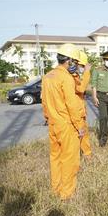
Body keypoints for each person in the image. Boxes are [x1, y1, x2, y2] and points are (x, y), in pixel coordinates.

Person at [41, 43, 85, 200]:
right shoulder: (66, 78)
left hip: (52, 124)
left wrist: (48, 117)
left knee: (55, 158)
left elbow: (44, 102)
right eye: (75, 62)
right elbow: (72, 106)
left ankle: (56, 188)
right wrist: (80, 126)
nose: (76, 65)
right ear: (70, 61)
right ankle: (66, 193)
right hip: (66, 125)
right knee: (70, 159)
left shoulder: (47, 76)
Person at [73, 50, 92, 159]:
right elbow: (81, 88)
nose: (83, 68)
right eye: (82, 66)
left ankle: (87, 154)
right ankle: (83, 155)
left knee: (83, 133)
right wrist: (87, 72)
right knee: (80, 134)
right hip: (75, 112)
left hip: (79, 111)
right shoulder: (71, 77)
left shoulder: (75, 76)